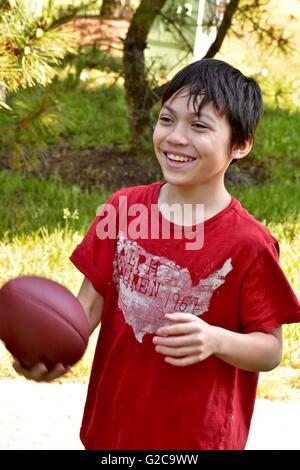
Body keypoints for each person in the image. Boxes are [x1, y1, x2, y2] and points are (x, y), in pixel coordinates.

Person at [14, 59, 300, 450]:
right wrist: (47, 350)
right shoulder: (122, 209)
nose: (175, 137)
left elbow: (270, 350)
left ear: (241, 144)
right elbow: (85, 310)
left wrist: (215, 340)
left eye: (199, 126)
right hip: (112, 429)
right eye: (167, 119)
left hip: (197, 439)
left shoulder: (249, 243)